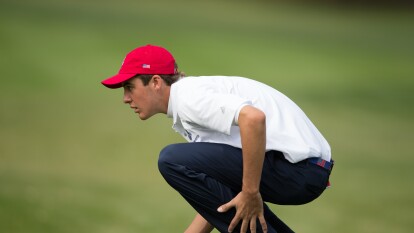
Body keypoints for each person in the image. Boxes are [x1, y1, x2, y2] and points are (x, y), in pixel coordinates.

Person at [101, 44, 333, 233]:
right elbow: (215, 199)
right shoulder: (188, 100)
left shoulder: (189, 98)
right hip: (303, 170)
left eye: (129, 87)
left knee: (170, 159)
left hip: (299, 169)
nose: (125, 98)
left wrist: (250, 192)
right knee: (193, 169)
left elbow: (253, 119)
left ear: (155, 82)